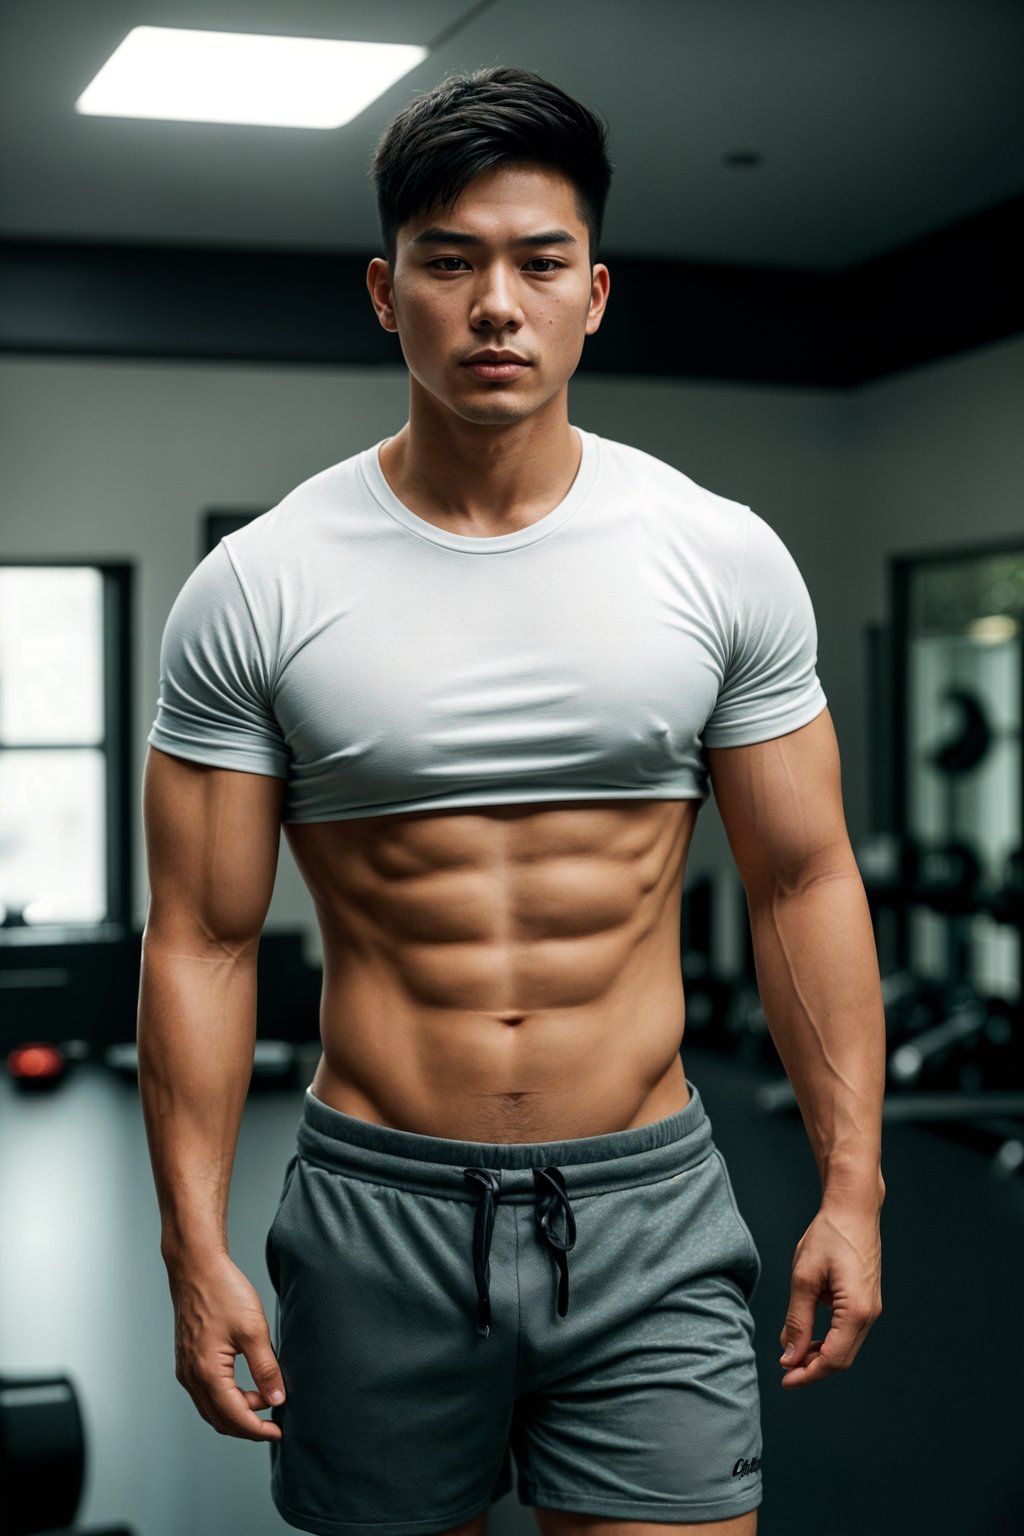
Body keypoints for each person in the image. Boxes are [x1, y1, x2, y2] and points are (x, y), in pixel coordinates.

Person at [137, 64, 885, 1536]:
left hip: (650, 1206)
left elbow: (804, 883)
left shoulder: (718, 556)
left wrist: (852, 1188)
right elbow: (203, 942)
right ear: (383, 289)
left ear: (594, 294)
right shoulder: (261, 586)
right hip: (375, 1213)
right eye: (450, 261)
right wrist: (190, 1245)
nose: (498, 304)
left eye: (540, 264)